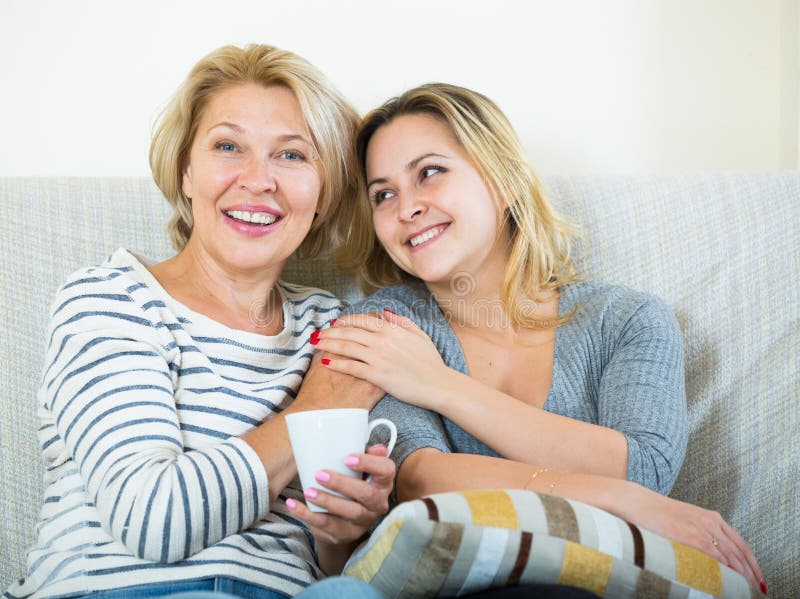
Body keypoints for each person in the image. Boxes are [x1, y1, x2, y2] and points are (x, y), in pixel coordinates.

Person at [308, 83, 766, 592]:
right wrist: (615, 498)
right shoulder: (384, 324)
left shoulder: (628, 320)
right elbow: (419, 479)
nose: (406, 207)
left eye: (430, 172)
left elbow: (641, 469)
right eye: (383, 194)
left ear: (503, 181)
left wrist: (438, 385)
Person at [5, 44, 392, 599]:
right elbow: (151, 520)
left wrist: (346, 532)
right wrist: (314, 409)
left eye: (292, 156)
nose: (258, 180)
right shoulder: (111, 299)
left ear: (323, 190)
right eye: (228, 146)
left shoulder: (331, 323)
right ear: (186, 171)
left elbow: (331, 557)